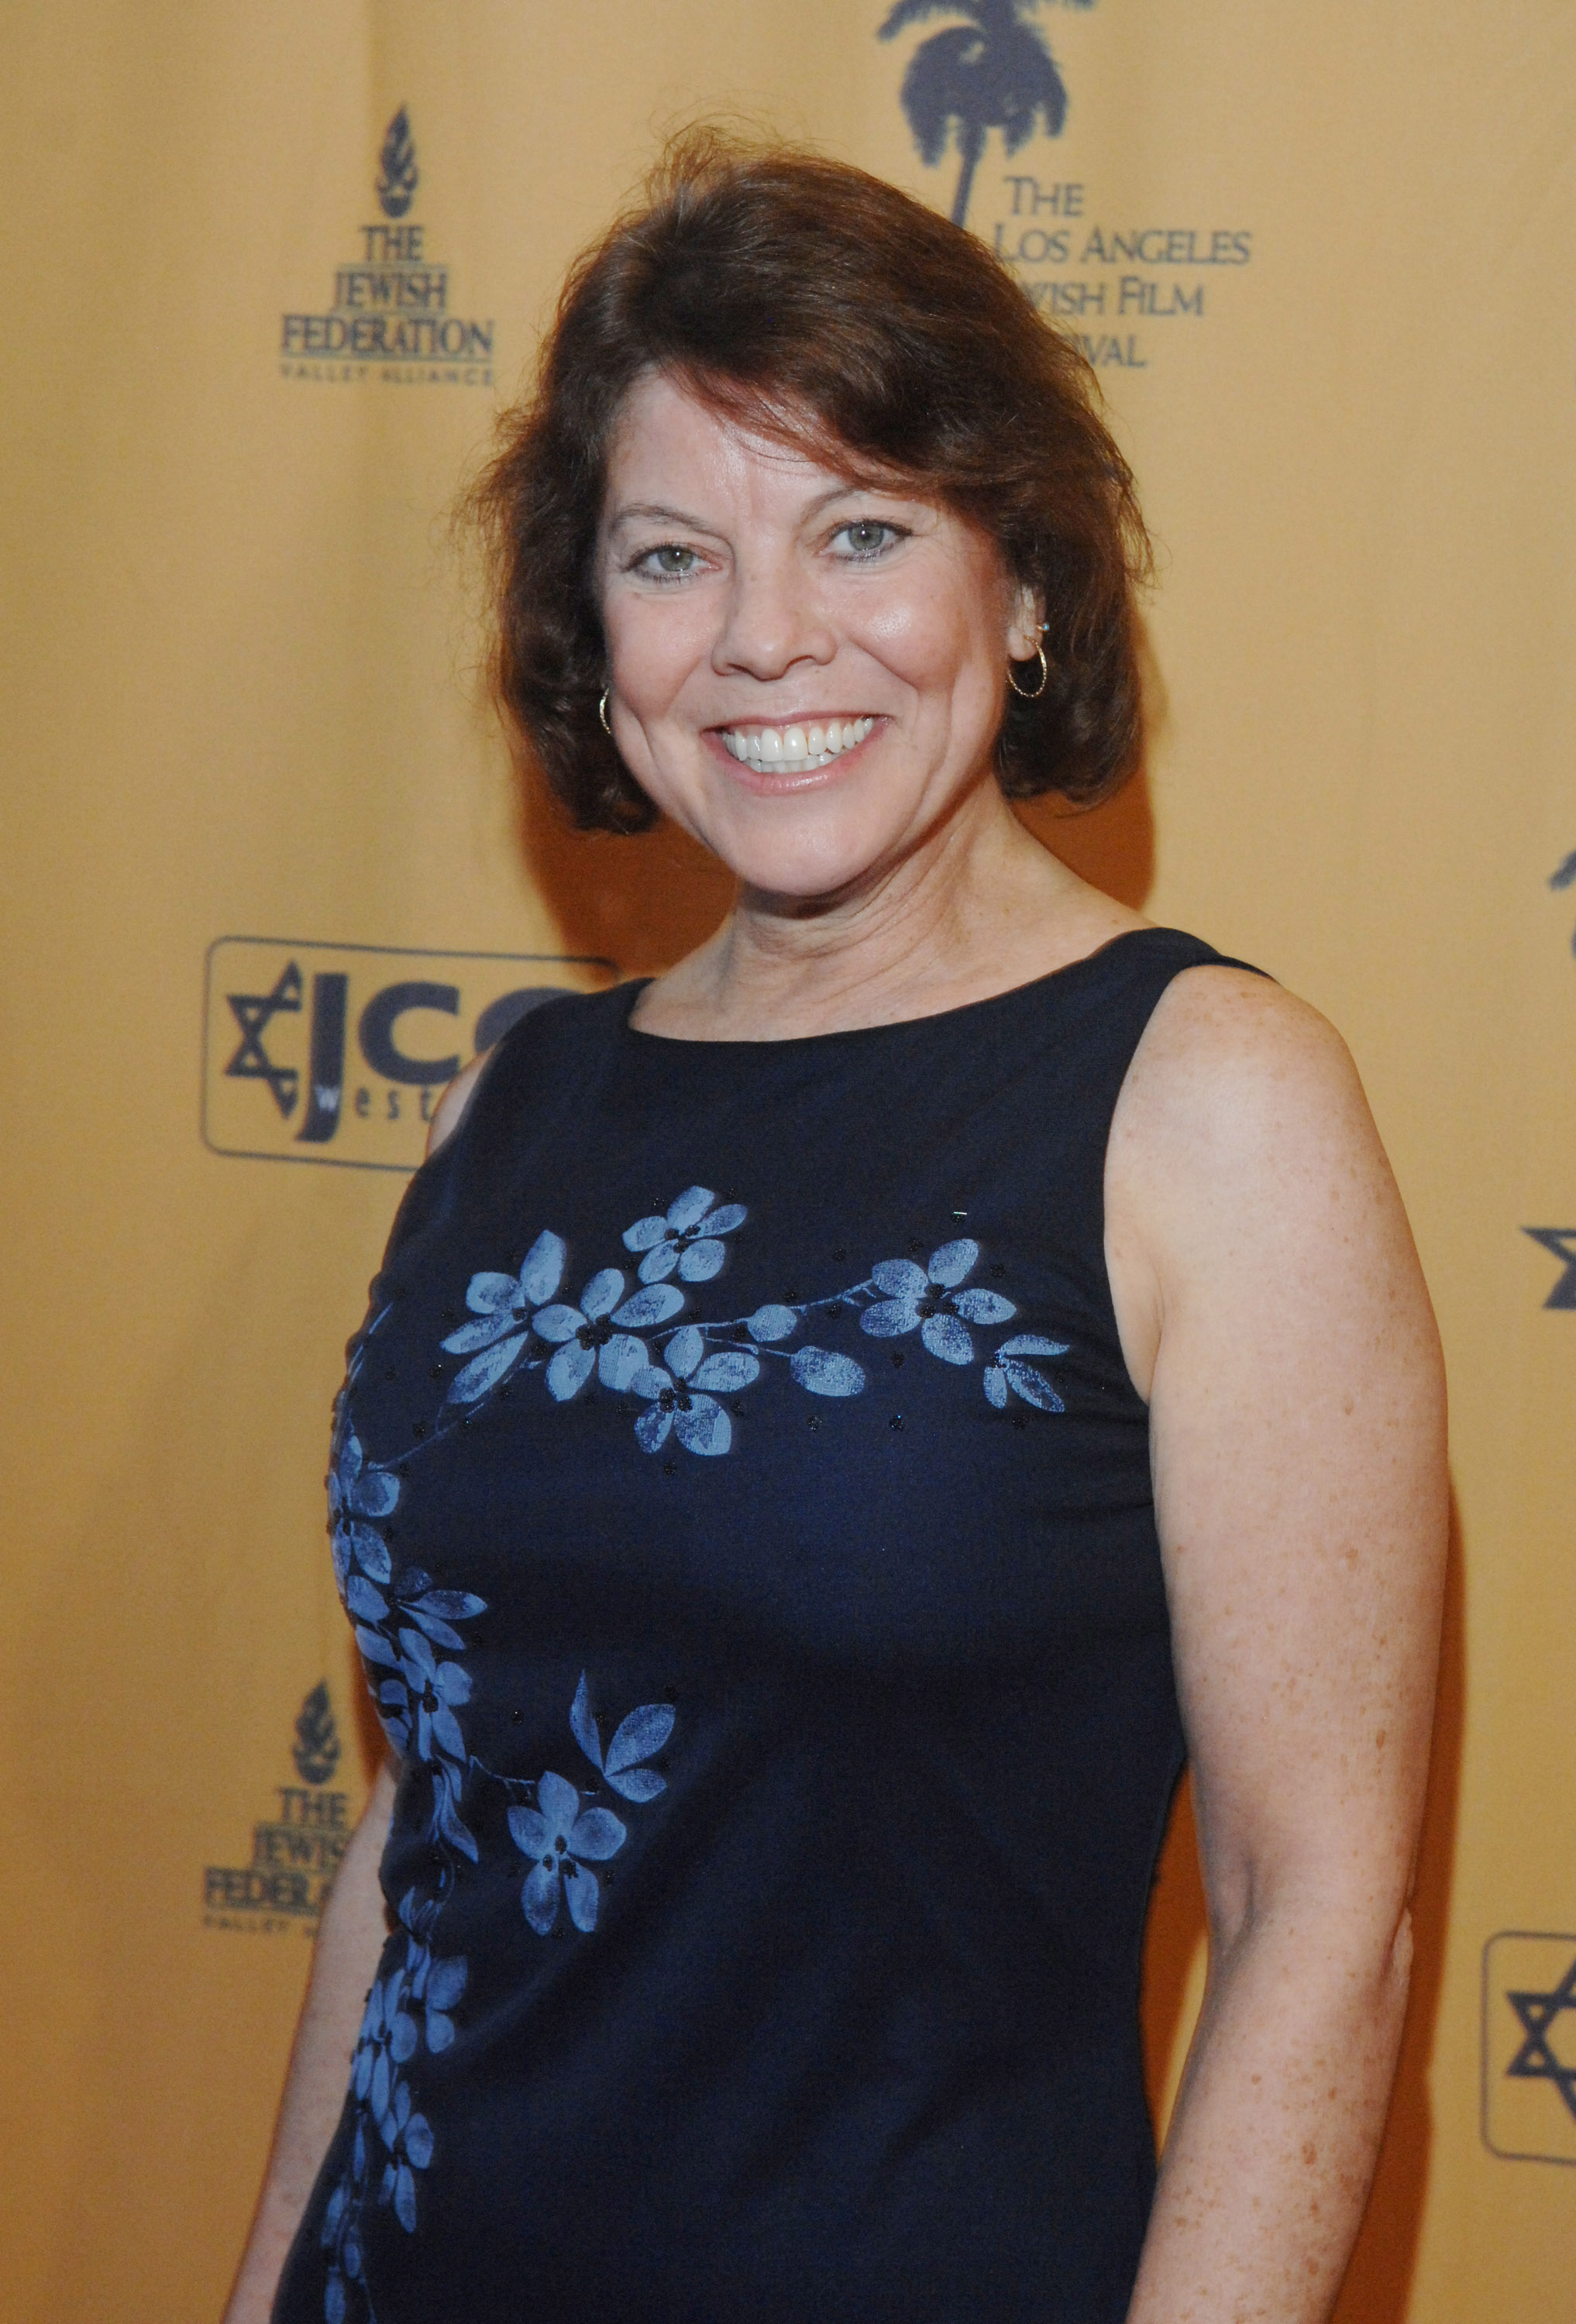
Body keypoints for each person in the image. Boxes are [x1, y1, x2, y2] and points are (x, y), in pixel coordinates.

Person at [228, 134, 1447, 2324]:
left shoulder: (1201, 1105)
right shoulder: (514, 1100)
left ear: (1025, 585)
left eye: (862, 531)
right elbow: (415, 1851)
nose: (766, 636)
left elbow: (1315, 1913)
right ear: (592, 638)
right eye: (672, 555)